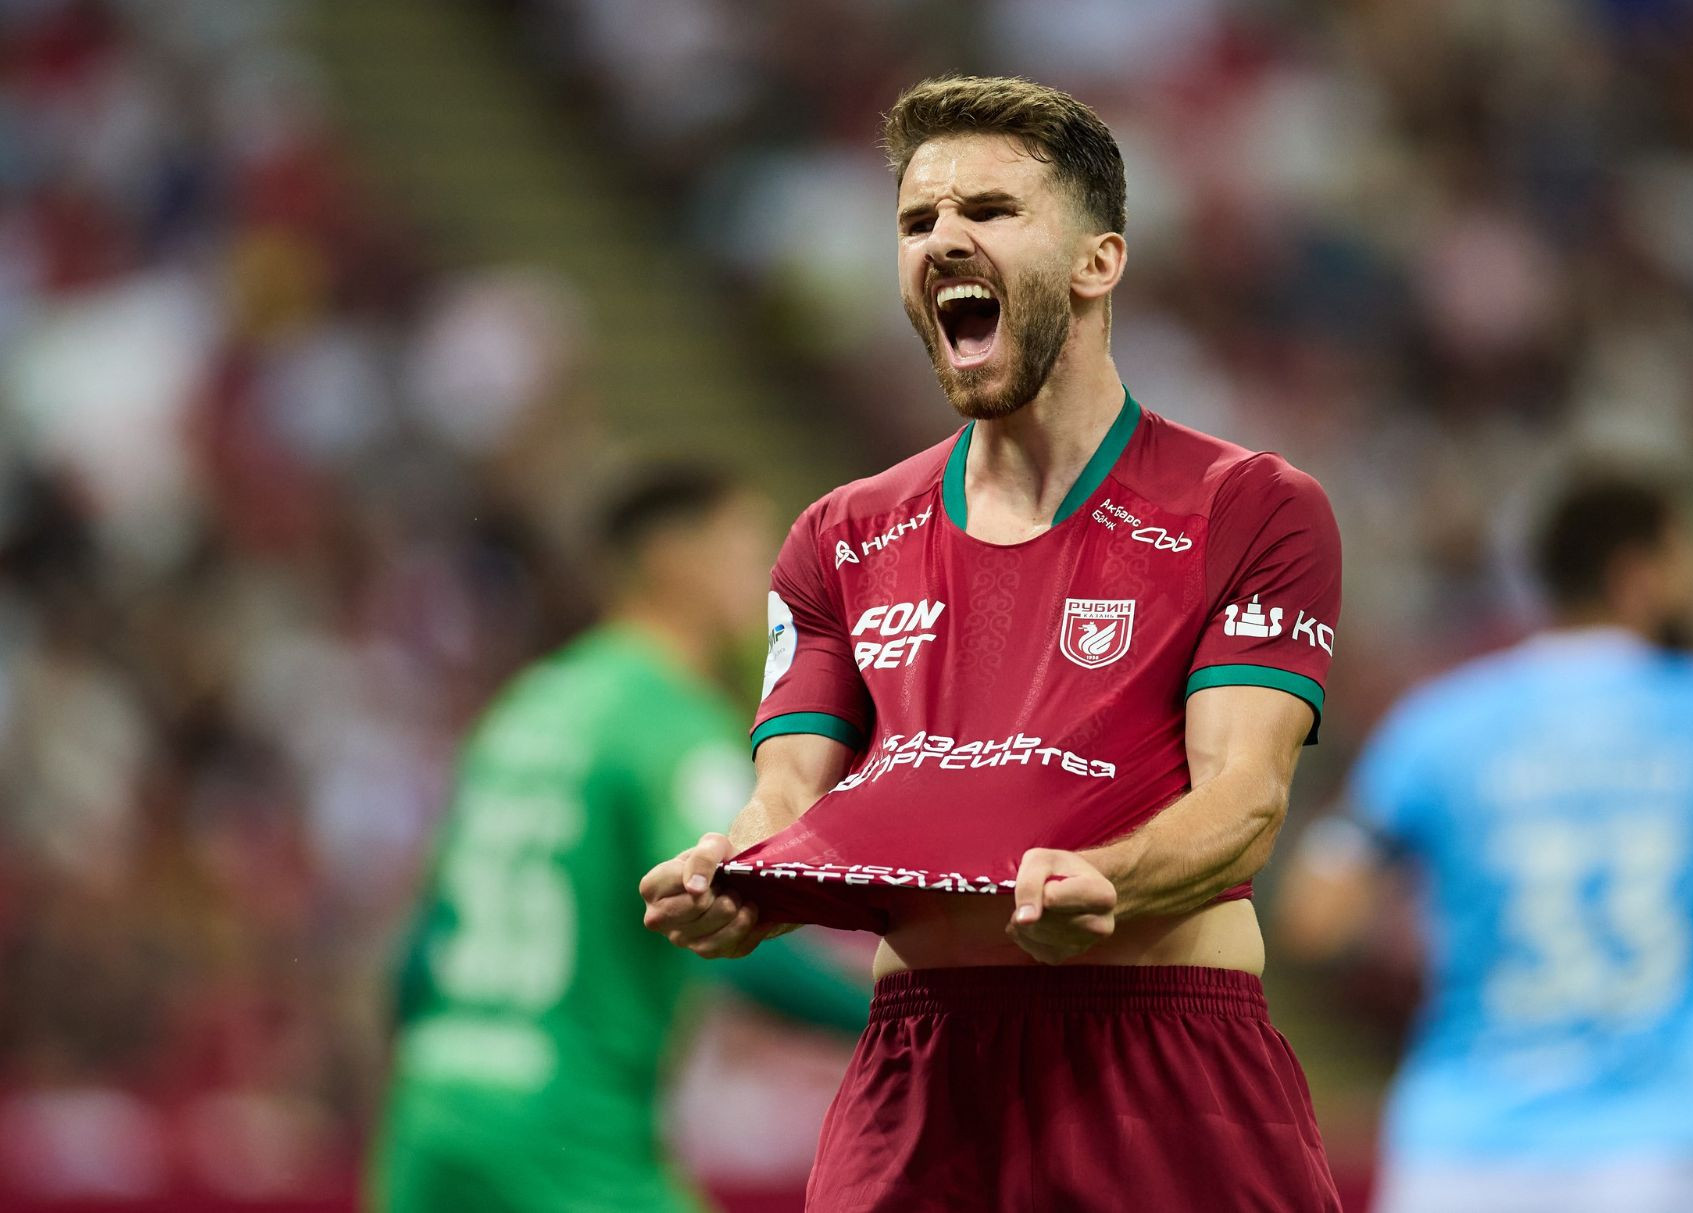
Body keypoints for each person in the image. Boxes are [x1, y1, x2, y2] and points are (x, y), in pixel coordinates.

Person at [641, 76, 1344, 1210]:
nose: (941, 240)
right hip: (920, 1071)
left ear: (1097, 262)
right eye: (917, 221)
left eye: (989, 210)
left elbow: (1245, 799)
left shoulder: (1249, 507)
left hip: (1160, 1061)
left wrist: (1109, 880)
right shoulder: (839, 536)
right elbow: (787, 797)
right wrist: (735, 875)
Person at [1278, 469, 1693, 1213]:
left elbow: (1315, 914)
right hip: (1651, 1150)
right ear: (1638, 575)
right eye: (1690, 561)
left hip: (1458, 1148)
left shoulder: (1443, 721)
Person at [375, 465, 870, 1213]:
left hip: (431, 1114)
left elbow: (422, 950)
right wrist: (891, 1018)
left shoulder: (526, 707)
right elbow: (737, 910)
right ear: (675, 561)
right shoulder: (666, 720)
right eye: (746, 551)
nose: (772, 585)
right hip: (566, 1130)